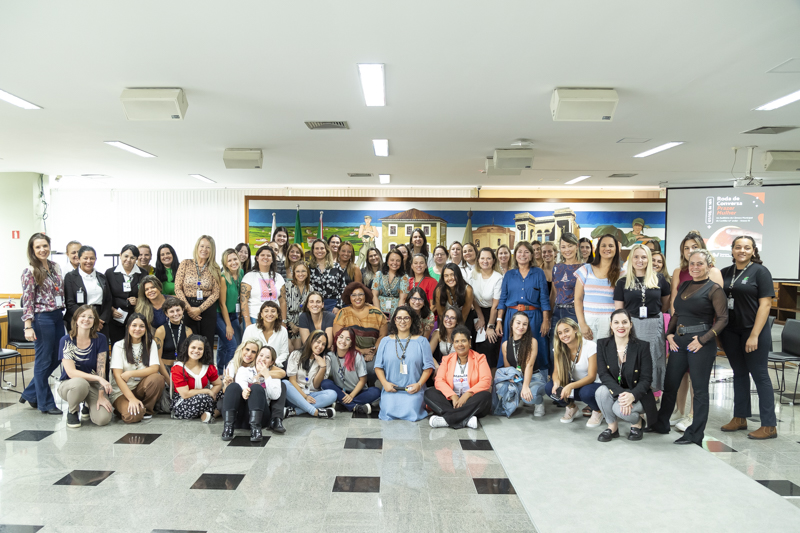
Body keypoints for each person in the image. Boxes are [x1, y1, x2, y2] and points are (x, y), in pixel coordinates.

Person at [652, 250, 729, 445]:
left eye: (700, 264)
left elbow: (722, 319)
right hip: (679, 341)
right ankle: (661, 424)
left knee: (700, 390)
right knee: (670, 385)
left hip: (700, 343)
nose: (695, 267)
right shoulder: (685, 285)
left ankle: (695, 434)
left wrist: (703, 340)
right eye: (692, 263)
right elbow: (677, 313)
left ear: (709, 266)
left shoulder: (714, 289)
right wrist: (669, 334)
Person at [718, 236, 776, 439]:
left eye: (747, 247)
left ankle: (769, 425)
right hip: (731, 332)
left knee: (759, 375)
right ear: (732, 250)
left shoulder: (760, 272)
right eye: (738, 247)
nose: (742, 250)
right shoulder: (725, 272)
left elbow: (766, 305)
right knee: (739, 373)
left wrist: (754, 335)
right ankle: (740, 417)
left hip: (754, 331)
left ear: (753, 251)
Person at [667, 231, 724, 430]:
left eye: (694, 247)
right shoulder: (678, 272)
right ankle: (678, 410)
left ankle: (692, 415)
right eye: (686, 248)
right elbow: (675, 304)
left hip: (701, 333)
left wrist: (707, 337)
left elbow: (717, 309)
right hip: (680, 332)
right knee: (679, 375)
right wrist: (672, 332)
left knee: (697, 378)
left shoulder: (713, 273)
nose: (690, 251)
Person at [20, 233, 67, 415]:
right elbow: (27, 301)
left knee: (58, 356)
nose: (42, 249)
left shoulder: (55, 267)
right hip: (41, 318)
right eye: (38, 247)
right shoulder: (30, 271)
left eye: (45, 246)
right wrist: (28, 326)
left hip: (56, 315)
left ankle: (31, 393)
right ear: (32, 250)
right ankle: (45, 403)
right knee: (43, 360)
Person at [613, 244, 669, 393]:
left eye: (644, 257)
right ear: (631, 259)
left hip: (654, 326)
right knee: (634, 363)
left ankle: (650, 398)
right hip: (632, 327)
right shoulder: (622, 282)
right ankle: (634, 397)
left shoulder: (660, 279)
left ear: (649, 259)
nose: (640, 260)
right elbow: (619, 311)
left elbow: (665, 305)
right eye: (636, 256)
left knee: (652, 362)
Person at [595, 309, 657, 442]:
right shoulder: (602, 344)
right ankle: (612, 428)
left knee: (618, 409)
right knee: (601, 392)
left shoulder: (642, 346)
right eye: (616, 322)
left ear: (631, 324)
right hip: (618, 392)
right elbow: (603, 374)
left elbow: (646, 379)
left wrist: (632, 395)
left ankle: (637, 423)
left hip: (638, 394)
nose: (620, 326)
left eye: (624, 322)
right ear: (611, 325)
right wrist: (622, 395)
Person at [374, 306, 435, 421]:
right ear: (394, 321)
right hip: (391, 389)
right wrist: (385, 383)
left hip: (414, 390)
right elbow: (378, 367)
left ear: (412, 320)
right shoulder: (385, 341)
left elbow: (428, 368)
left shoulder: (422, 341)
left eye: (406, 318)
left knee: (411, 410)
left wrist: (419, 385)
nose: (402, 321)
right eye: (399, 318)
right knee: (388, 411)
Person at [497, 242, 551, 373]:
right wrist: (499, 321)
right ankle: (510, 378)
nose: (523, 255)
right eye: (520, 251)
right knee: (510, 348)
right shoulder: (509, 275)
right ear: (515, 255)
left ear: (532, 255)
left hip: (534, 318)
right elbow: (503, 299)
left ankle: (538, 381)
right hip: (511, 316)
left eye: (526, 252)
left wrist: (545, 321)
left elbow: (544, 299)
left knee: (537, 348)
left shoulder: (539, 273)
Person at [425, 325, 492, 429]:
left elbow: (486, 381)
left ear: (469, 342)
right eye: (456, 341)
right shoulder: (447, 359)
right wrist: (453, 396)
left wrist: (467, 395)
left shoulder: (480, 358)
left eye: (463, 341)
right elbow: (439, 381)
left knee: (485, 396)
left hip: (470, 401)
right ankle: (465, 419)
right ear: (453, 343)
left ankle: (446, 420)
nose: (460, 344)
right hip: (451, 402)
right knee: (429, 393)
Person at [57, 305, 113, 428]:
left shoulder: (101, 339)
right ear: (76, 319)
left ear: (94, 322)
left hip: (92, 384)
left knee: (103, 419)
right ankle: (72, 411)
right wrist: (98, 379)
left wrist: (101, 395)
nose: (86, 319)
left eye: (90, 317)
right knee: (80, 383)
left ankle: (87, 406)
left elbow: (101, 369)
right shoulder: (66, 340)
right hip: (70, 384)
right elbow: (71, 373)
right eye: (83, 316)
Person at [109, 313, 166, 423]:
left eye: (141, 326)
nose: (137, 329)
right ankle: (126, 408)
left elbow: (155, 368)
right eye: (134, 325)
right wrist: (131, 398)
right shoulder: (119, 345)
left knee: (157, 378)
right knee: (133, 416)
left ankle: (146, 409)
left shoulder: (150, 343)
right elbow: (117, 376)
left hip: (140, 387)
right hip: (121, 391)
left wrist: (130, 373)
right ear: (128, 327)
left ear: (145, 328)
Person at [546, 317, 603, 426]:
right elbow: (556, 372)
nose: (564, 335)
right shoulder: (559, 348)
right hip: (575, 385)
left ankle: (598, 411)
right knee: (550, 388)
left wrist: (570, 386)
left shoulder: (590, 346)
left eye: (567, 330)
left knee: (585, 393)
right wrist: (557, 382)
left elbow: (592, 376)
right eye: (560, 333)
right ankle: (571, 408)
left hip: (594, 385)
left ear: (575, 329)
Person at [222, 344, 287, 440]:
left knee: (256, 388)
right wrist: (245, 390)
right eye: (261, 355)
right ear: (256, 357)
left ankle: (255, 430)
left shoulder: (273, 376)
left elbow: (274, 396)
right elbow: (240, 384)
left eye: (267, 357)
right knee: (233, 386)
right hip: (240, 416)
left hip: (261, 417)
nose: (263, 359)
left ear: (272, 362)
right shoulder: (244, 370)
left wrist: (266, 375)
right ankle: (228, 427)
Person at [333, 282, 388, 383]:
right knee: (351, 368)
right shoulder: (343, 313)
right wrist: (361, 351)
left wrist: (372, 352)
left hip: (372, 353)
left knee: (371, 369)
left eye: (360, 294)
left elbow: (383, 336)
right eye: (353, 295)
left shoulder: (377, 312)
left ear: (365, 295)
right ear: (349, 297)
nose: (357, 298)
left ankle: (368, 390)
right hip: (348, 351)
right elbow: (338, 337)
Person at [321, 327, 380, 414]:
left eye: (347, 339)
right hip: (341, 391)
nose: (343, 341)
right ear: (336, 338)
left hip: (358, 392)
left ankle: (341, 404)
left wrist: (351, 396)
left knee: (376, 391)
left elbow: (363, 380)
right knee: (325, 383)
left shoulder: (357, 356)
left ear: (351, 343)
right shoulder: (330, 356)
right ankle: (354, 406)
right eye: (341, 337)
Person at [174, 235, 221, 343]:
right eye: (202, 246)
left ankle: (207, 361)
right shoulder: (185, 263)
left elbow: (216, 293)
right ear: (197, 247)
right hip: (187, 305)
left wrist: (199, 309)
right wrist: (189, 309)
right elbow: (177, 288)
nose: (204, 249)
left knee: (207, 342)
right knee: (189, 342)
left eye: (208, 247)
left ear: (212, 250)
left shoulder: (215, 267)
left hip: (207, 308)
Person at [574, 234, 620, 341]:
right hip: (587, 322)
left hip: (609, 323)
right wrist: (582, 324)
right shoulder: (586, 269)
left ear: (616, 249)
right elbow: (578, 299)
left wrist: (616, 324)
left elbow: (622, 303)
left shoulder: (622, 273)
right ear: (598, 249)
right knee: (587, 356)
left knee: (606, 357)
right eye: (603, 245)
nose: (607, 248)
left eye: (611, 246)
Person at [283, 330, 338, 418]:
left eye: (323, 344)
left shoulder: (326, 359)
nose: (320, 346)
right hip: (297, 395)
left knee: (332, 394)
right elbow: (292, 381)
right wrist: (304, 397)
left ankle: (295, 411)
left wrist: (322, 367)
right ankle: (316, 412)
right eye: (318, 342)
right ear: (311, 341)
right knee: (285, 384)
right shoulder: (296, 355)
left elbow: (316, 385)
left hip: (314, 396)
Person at [500, 312, 545, 415]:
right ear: (512, 324)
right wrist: (513, 380)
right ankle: (519, 396)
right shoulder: (505, 345)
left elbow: (529, 365)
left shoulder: (532, 341)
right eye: (518, 323)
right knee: (500, 386)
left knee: (528, 398)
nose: (521, 326)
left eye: (525, 324)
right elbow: (508, 368)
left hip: (534, 377)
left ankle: (539, 402)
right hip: (518, 377)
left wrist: (525, 386)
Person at [170, 334, 222, 423]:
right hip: (183, 403)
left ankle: (208, 414)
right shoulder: (178, 368)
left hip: (204, 397)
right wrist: (207, 391)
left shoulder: (208, 367)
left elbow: (218, 384)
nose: (196, 351)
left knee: (225, 393)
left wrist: (212, 392)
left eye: (200, 349)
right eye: (193, 347)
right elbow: (185, 394)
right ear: (187, 348)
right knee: (204, 398)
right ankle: (214, 412)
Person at [64, 245, 112, 340]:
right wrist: (88, 319)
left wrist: (99, 321)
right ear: (79, 259)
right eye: (85, 258)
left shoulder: (102, 277)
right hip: (79, 320)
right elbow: (70, 303)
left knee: (101, 352)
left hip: (100, 321)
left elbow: (108, 301)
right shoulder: (70, 277)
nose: (88, 261)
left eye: (92, 258)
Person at [469, 248, 503, 368]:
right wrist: (480, 317)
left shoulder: (498, 277)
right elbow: (472, 297)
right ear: (478, 260)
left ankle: (490, 381)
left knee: (490, 345)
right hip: (476, 313)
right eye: (482, 258)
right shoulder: (473, 274)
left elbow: (495, 305)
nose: (485, 261)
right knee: (473, 346)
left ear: (494, 260)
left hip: (492, 313)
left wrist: (490, 326)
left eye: (489, 258)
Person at [240, 245, 287, 328]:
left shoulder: (279, 277)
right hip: (254, 318)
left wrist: (283, 321)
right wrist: (247, 321)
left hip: (274, 319)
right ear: (257, 258)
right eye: (262, 255)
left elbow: (283, 301)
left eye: (269, 255)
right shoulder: (249, 276)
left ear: (273, 259)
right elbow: (244, 301)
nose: (265, 257)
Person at [105, 244, 143, 346]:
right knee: (117, 345)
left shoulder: (143, 273)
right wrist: (112, 310)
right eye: (126, 256)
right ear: (120, 255)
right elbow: (106, 296)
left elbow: (146, 294)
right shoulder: (110, 273)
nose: (128, 260)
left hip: (135, 317)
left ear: (136, 259)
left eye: (132, 257)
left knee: (135, 345)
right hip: (116, 317)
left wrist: (138, 300)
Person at [550, 233, 582, 344]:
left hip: (574, 312)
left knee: (572, 348)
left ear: (577, 246)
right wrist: (549, 316)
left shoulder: (584, 268)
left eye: (570, 246)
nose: (566, 250)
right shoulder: (556, 267)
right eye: (563, 247)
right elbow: (553, 293)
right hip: (556, 312)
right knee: (554, 349)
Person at [217, 248, 244, 375]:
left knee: (228, 345)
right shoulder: (223, 278)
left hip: (233, 314)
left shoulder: (241, 273)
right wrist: (228, 325)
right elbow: (222, 304)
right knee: (232, 345)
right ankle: (228, 376)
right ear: (225, 263)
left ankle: (220, 373)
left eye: (235, 259)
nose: (233, 262)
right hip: (220, 315)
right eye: (229, 260)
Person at [153, 296, 193, 382]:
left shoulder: (188, 330)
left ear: (182, 310)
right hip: (165, 368)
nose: (175, 314)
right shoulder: (161, 330)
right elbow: (157, 358)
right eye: (171, 311)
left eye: (178, 310)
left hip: (182, 368)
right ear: (166, 314)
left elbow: (190, 355)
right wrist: (168, 379)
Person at [242, 301, 290, 368]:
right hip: (253, 367)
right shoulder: (250, 329)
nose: (269, 314)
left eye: (273, 311)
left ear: (277, 315)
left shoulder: (283, 331)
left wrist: (273, 363)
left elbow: (284, 353)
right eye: (266, 311)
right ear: (261, 314)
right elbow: (243, 350)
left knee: (284, 377)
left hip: (274, 367)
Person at [433, 263, 476, 339]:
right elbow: (441, 314)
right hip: (445, 320)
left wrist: (456, 334)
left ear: (458, 275)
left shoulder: (468, 290)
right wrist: (447, 332)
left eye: (452, 274)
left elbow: (464, 316)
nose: (449, 278)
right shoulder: (439, 290)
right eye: (446, 275)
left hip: (463, 321)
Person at [308, 239, 347, 313]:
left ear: (326, 250)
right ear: (313, 251)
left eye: (322, 248)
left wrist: (338, 306)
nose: (319, 251)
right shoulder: (308, 268)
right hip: (315, 305)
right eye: (316, 248)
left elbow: (343, 289)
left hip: (333, 304)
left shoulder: (336, 267)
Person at [372, 249, 410, 318]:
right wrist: (379, 313)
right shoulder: (378, 275)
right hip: (379, 312)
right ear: (387, 261)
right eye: (392, 260)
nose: (395, 263)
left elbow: (403, 299)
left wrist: (397, 316)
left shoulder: (404, 277)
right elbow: (374, 295)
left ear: (401, 263)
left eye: (398, 261)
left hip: (396, 314)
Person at [285, 261, 311, 351]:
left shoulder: (310, 288)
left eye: (303, 271)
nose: (301, 274)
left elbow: (311, 310)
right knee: (290, 349)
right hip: (288, 323)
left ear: (307, 273)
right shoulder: (287, 286)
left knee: (299, 350)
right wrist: (291, 324)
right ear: (294, 273)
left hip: (303, 323)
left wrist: (300, 327)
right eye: (298, 271)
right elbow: (284, 306)